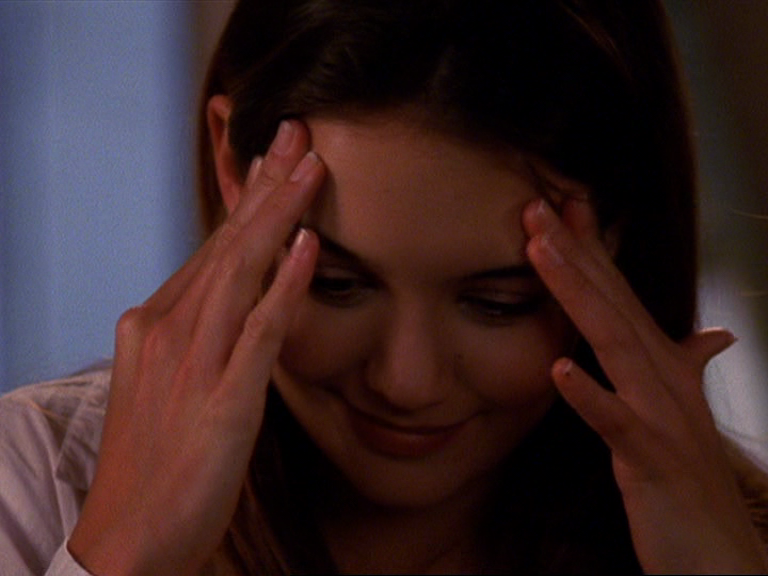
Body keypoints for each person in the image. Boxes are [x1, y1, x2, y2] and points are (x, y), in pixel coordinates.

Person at [2, 0, 767, 573]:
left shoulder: (734, 539)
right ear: (232, 167)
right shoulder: (35, 489)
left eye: (496, 303)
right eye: (336, 284)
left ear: (620, 232)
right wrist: (123, 558)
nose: (407, 382)